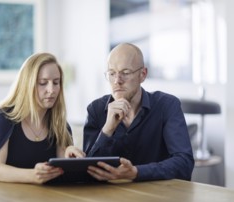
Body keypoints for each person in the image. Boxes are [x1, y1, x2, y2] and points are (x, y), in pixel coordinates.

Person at [0, 52, 85, 202]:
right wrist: (33, 176)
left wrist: (70, 158)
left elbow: (61, 170)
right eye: (43, 83)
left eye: (56, 83)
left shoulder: (60, 125)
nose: (51, 90)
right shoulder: (2, 121)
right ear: (27, 84)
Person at [83, 43, 194, 182]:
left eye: (125, 72)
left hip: (159, 197)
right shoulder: (95, 110)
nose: (117, 81)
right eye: (112, 73)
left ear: (143, 74)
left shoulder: (167, 105)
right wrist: (108, 129)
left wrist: (136, 172)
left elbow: (184, 164)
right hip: (111, 198)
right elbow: (87, 172)